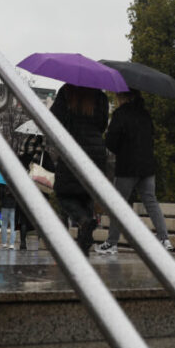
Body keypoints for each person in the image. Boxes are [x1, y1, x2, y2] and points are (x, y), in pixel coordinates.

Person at [95, 89, 171, 255]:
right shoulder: (145, 114)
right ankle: (164, 238)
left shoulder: (120, 114)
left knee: (118, 204)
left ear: (123, 96)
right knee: (151, 201)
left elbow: (111, 142)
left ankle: (112, 243)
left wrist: (119, 147)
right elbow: (151, 136)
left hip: (127, 166)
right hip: (147, 166)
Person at [51, 83, 109, 255]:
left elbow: (54, 118)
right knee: (86, 195)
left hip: (72, 148)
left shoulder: (66, 92)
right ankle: (84, 243)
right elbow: (102, 124)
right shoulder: (100, 96)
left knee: (63, 192)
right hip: (96, 152)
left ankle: (83, 221)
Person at [0, 181, 16, 249]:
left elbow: (0, 196)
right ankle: (12, 244)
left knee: (4, 225)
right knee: (13, 225)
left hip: (4, 205)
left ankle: (4, 243)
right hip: (13, 206)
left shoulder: (2, 183)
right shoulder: (14, 183)